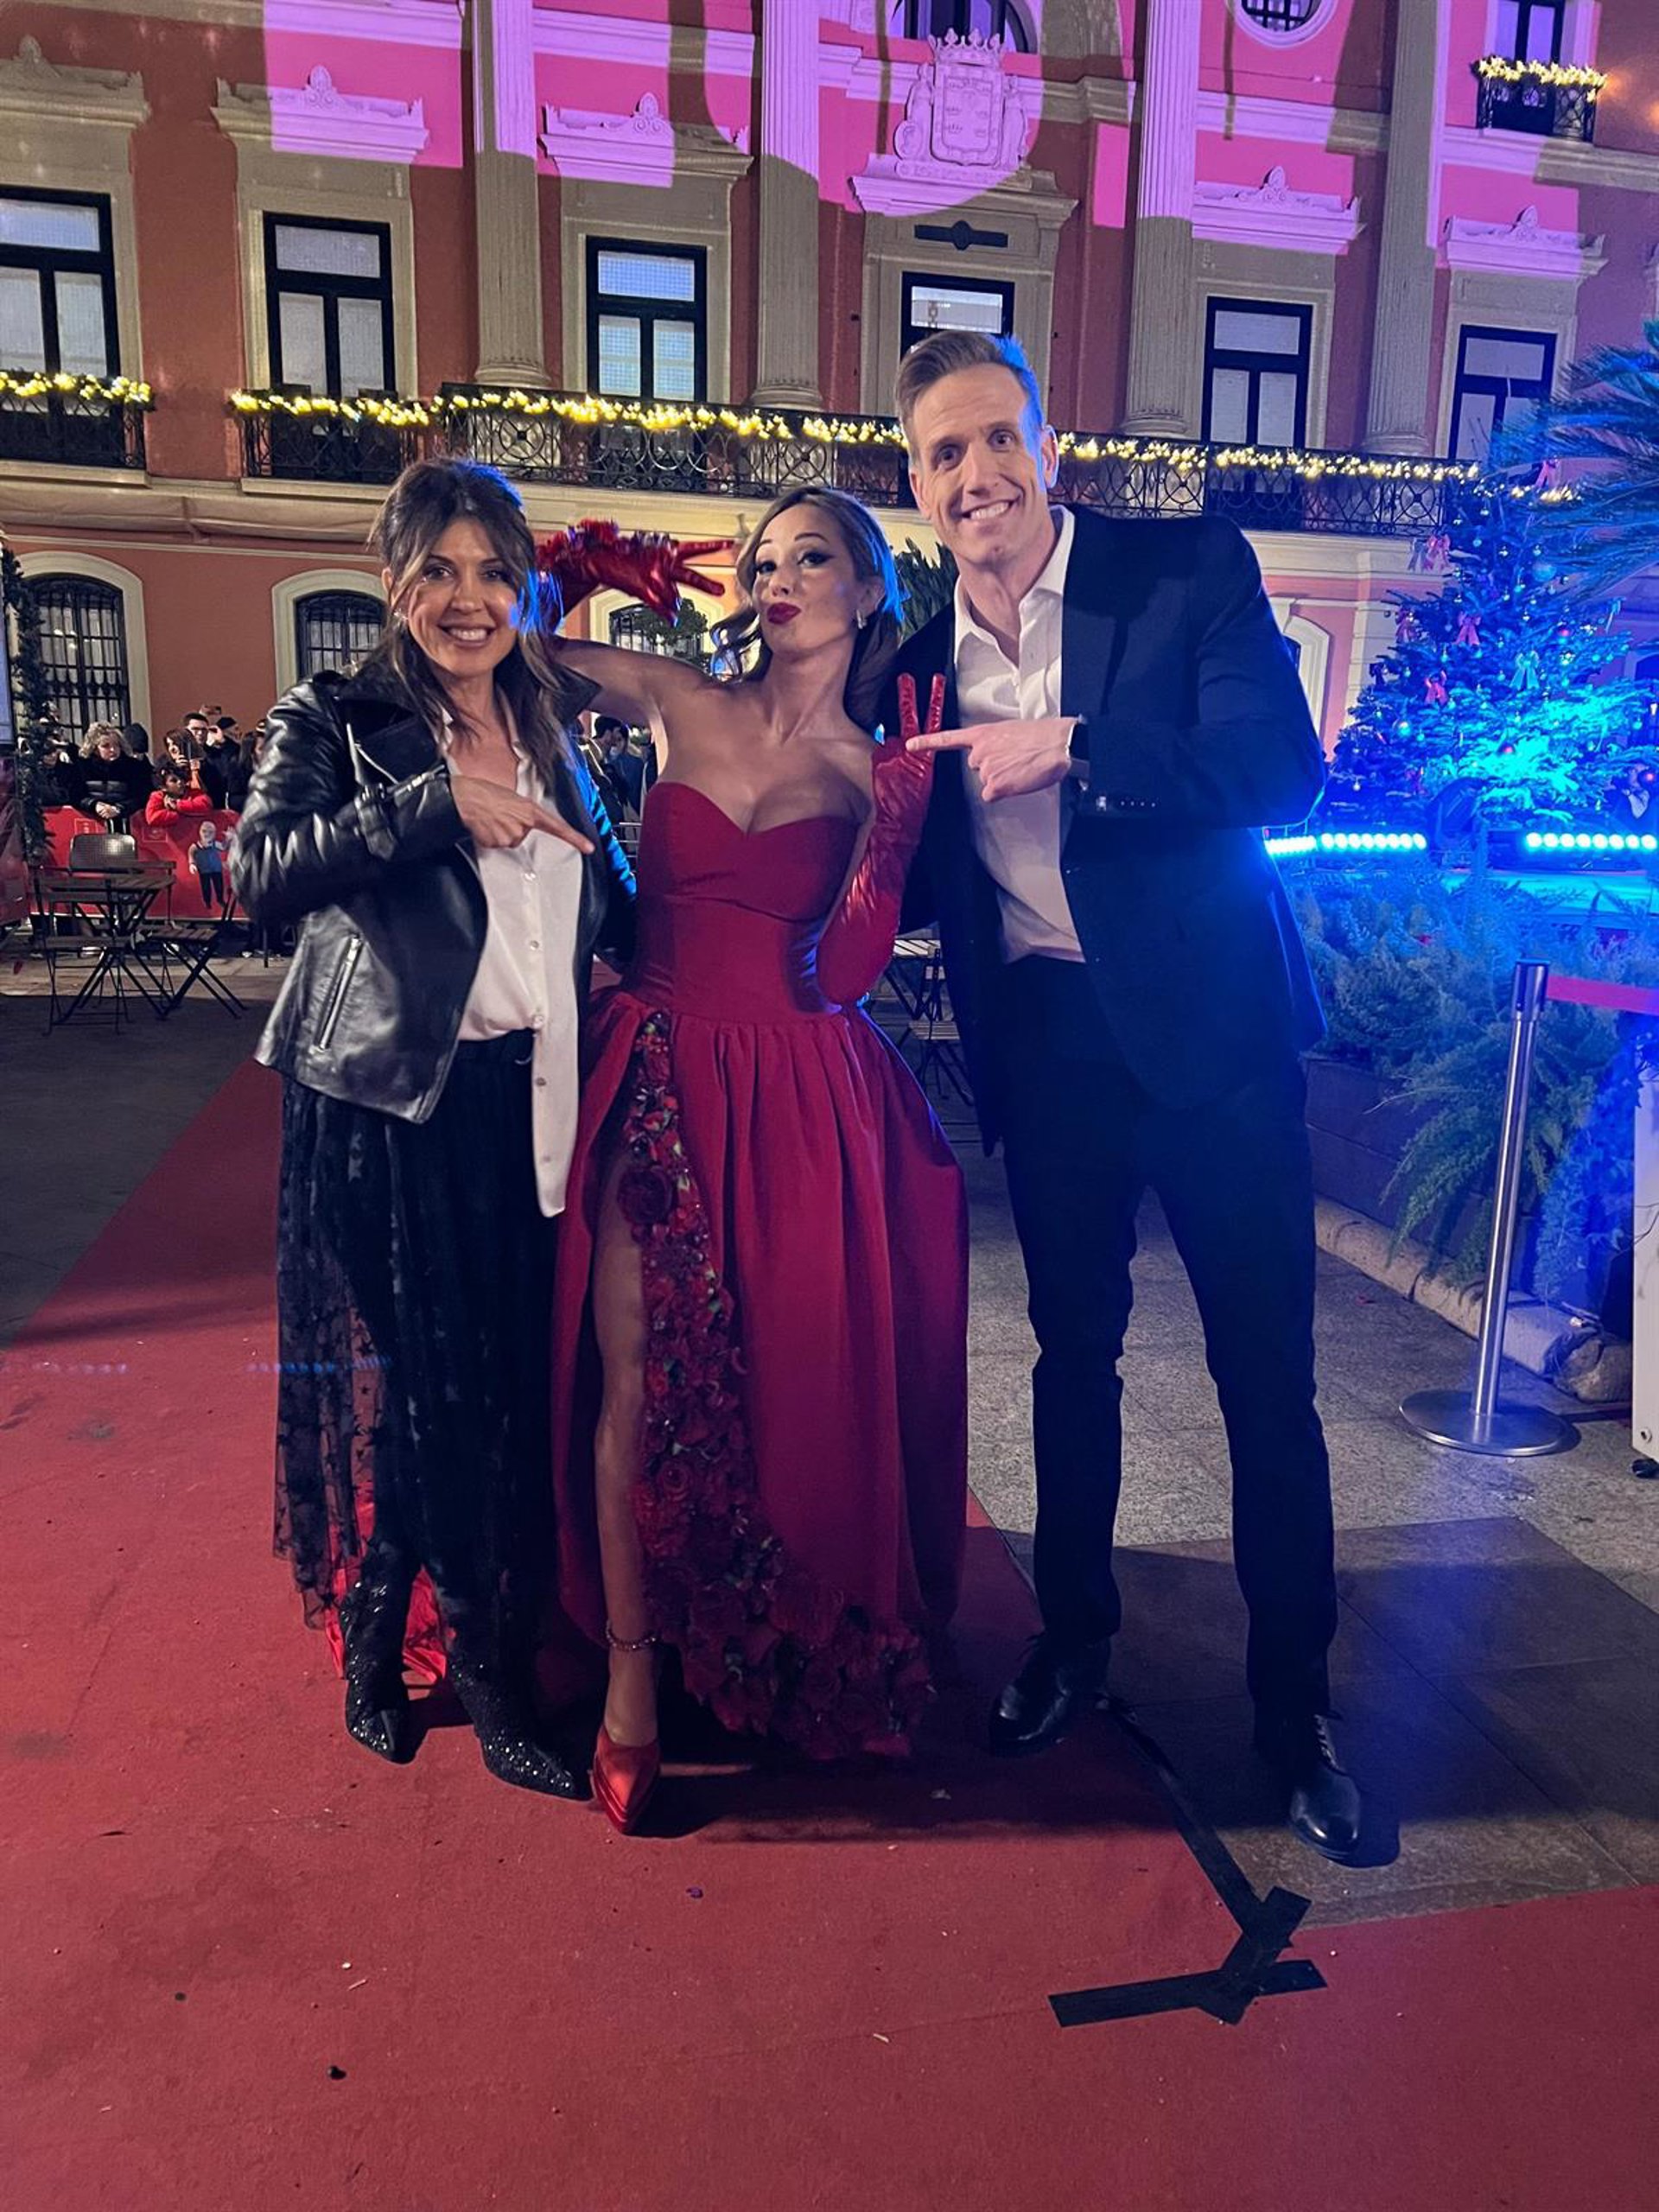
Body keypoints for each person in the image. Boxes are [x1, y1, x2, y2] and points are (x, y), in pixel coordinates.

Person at [887, 331, 1361, 1864]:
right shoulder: (912, 666)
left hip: (1216, 1044)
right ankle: (1075, 1641)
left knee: (1266, 1381)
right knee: (1071, 1357)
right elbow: (896, 862)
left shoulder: (1181, 572)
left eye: (998, 439)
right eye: (945, 454)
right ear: (916, 485)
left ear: (1049, 447)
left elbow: (1279, 770)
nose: (978, 475)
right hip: (1050, 1047)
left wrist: (1082, 746)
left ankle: (1294, 1711)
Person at [541, 493, 968, 1833]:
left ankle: (757, 1643)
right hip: (655, 1064)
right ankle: (630, 1681)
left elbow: (846, 976)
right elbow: (508, 651)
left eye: (810, 557)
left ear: (868, 589)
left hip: (796, 1093)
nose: (778, 578)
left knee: (782, 1386)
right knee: (633, 1374)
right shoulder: (679, 695)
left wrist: (892, 839)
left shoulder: (874, 763)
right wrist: (573, 564)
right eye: (765, 560)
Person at [232, 458, 634, 1798]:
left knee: (477, 1390)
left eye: (492, 573)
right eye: (440, 572)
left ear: (523, 587)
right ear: (395, 583)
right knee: (442, 1393)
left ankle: (372, 1625)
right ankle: (486, 1676)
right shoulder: (336, 716)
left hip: (527, 1105)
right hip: (387, 1109)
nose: (469, 600)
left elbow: (619, 898)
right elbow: (258, 874)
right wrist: (432, 805)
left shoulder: (552, 727)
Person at [69, 723, 152, 830]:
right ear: (95, 748)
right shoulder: (82, 766)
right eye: (106, 746)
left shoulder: (133, 767)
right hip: (92, 824)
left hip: (125, 824)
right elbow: (75, 795)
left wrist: (120, 808)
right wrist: (94, 805)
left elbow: (142, 795)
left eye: (116, 745)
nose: (113, 750)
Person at [145, 765, 212, 829]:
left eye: (181, 778)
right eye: (174, 781)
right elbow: (152, 818)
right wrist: (176, 814)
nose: (180, 782)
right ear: (163, 787)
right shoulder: (157, 797)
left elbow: (206, 805)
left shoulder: (194, 793)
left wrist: (178, 805)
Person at [189, 818, 231, 911]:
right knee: (206, 887)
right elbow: (191, 854)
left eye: (210, 832)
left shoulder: (215, 844)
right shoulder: (196, 846)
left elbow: (224, 847)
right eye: (204, 831)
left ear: (214, 833)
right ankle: (207, 902)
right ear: (200, 832)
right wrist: (192, 864)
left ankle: (220, 899)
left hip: (216, 869)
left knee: (219, 886)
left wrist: (228, 839)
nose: (207, 834)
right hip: (204, 870)